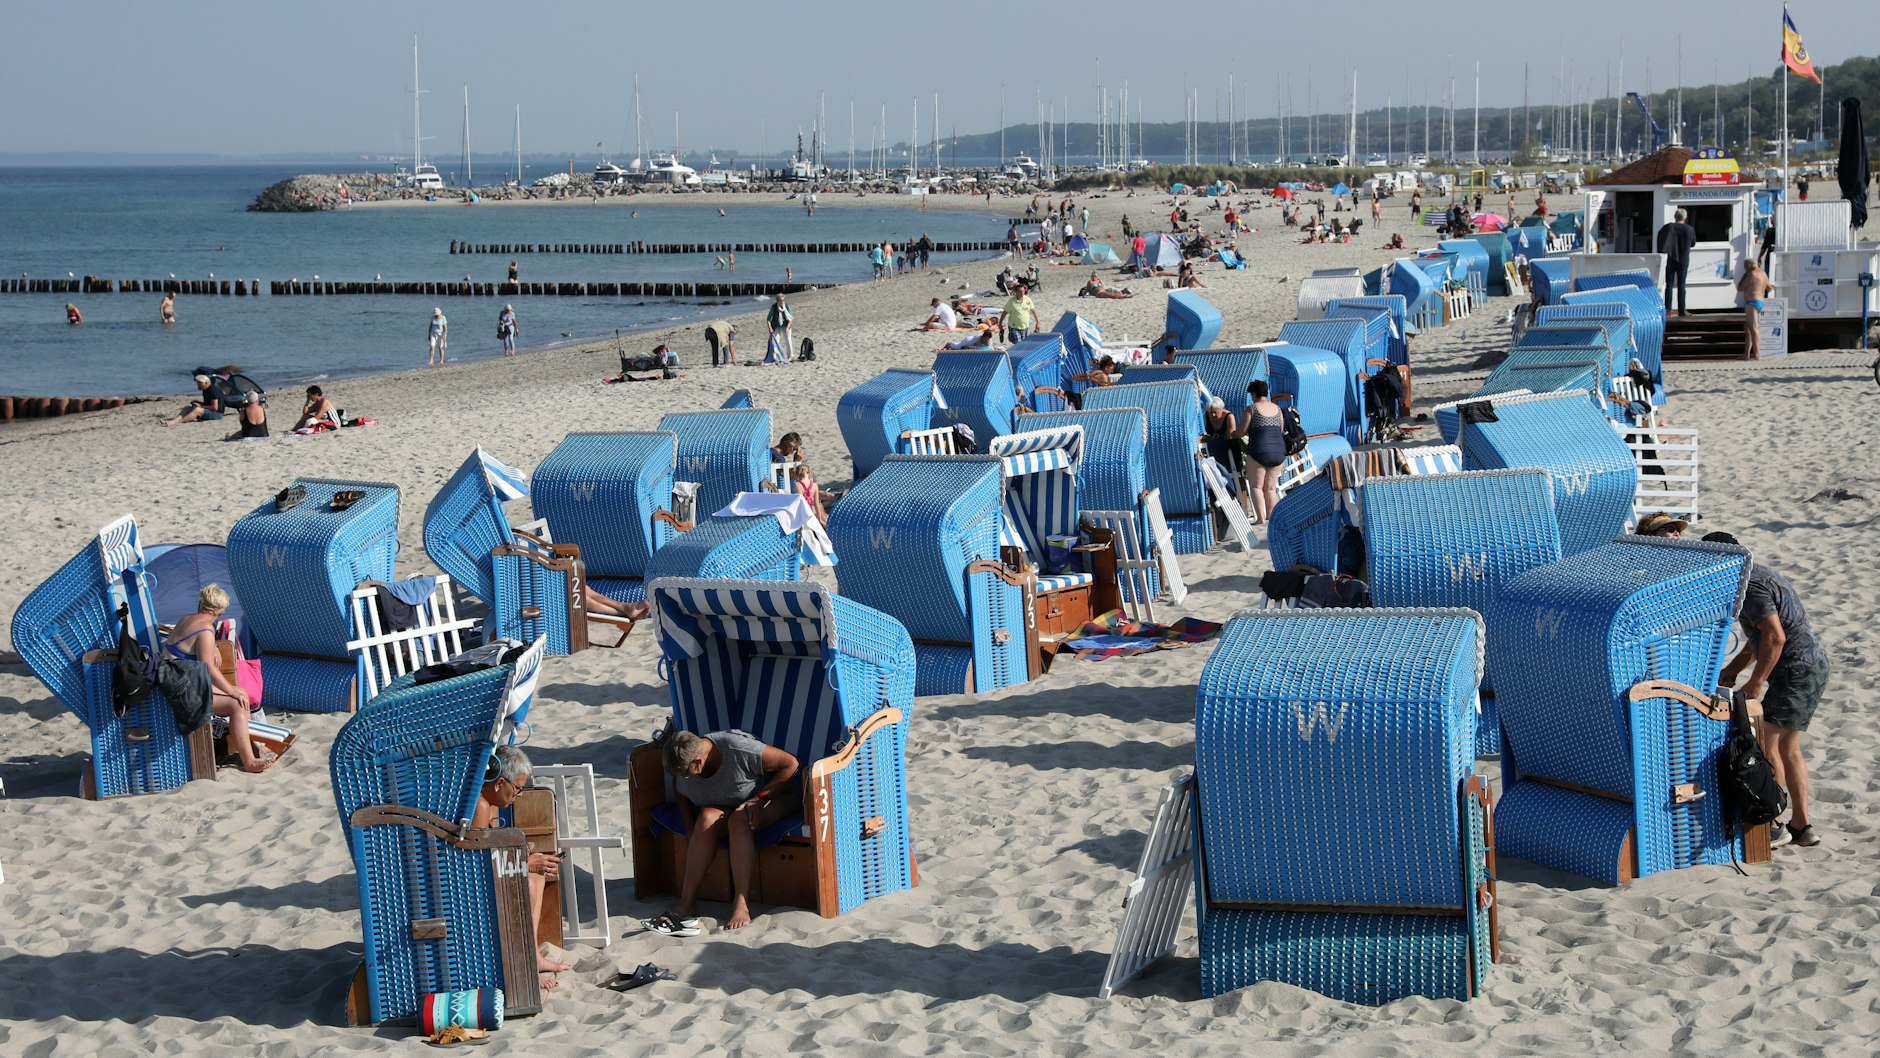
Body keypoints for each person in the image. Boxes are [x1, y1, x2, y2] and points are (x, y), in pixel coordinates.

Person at [1708, 531, 1830, 849]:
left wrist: (1756, 681)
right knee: (1789, 748)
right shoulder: (1759, 574)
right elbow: (1759, 636)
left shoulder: (1752, 587)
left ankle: (1775, 824)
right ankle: (1802, 826)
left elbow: (1775, 638)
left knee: (1768, 745)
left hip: (1795, 670)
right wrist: (1734, 669)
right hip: (1812, 666)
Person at [652, 729, 801, 933]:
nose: (683, 778)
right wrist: (689, 825)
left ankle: (741, 903)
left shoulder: (738, 749)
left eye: (685, 774)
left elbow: (790, 764)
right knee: (705, 819)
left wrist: (761, 799)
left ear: (698, 762)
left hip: (772, 799)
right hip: (728, 805)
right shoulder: (687, 769)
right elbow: (679, 788)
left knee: (739, 821)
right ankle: (687, 902)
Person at [472, 744, 575, 986]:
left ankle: (533, 956)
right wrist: (524, 862)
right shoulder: (481, 806)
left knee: (537, 876)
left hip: (481, 872)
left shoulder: (489, 801)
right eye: (517, 789)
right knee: (528, 881)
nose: (519, 795)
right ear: (499, 783)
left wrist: (526, 858)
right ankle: (522, 965)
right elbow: (473, 862)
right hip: (469, 884)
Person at [165, 585, 273, 773]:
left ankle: (252, 747)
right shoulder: (206, 630)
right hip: (183, 691)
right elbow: (208, 668)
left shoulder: (186, 619)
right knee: (238, 703)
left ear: (201, 603)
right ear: (222, 611)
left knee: (241, 694)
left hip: (174, 682)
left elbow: (193, 644)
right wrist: (230, 690)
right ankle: (249, 760)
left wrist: (214, 645)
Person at [1240, 381, 1287, 523]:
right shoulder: (1277, 409)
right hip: (1278, 451)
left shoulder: (1252, 409)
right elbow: (1280, 429)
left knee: (1256, 486)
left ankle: (1260, 518)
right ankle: (1271, 518)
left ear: (1254, 394)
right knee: (1271, 488)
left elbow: (1241, 431)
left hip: (1259, 451)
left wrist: (1233, 433)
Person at [1656, 208, 1698, 317]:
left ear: (1675, 217)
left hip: (1670, 259)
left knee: (1669, 284)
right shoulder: (1689, 229)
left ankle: (1668, 310)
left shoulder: (1668, 228)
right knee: (1681, 285)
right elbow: (1693, 243)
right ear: (1685, 217)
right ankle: (1681, 310)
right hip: (1683, 260)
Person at [1202, 396, 1243, 501]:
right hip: (1212, 450)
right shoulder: (1206, 416)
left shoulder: (1229, 417)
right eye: (1211, 412)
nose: (1213, 415)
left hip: (1225, 449)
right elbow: (1203, 433)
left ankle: (1234, 496)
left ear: (1221, 409)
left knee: (1233, 474)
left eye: (1215, 412)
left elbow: (1231, 437)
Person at [1738, 259, 1774, 360]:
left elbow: (1740, 288)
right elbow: (1770, 288)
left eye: (1745, 266)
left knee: (1753, 328)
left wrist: (1745, 275)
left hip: (1751, 302)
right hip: (1760, 301)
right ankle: (1746, 354)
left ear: (1749, 265)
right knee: (1748, 328)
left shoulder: (1751, 275)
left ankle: (1757, 354)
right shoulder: (1763, 274)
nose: (1745, 269)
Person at [160, 374, 224, 427]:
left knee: (197, 410)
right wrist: (198, 402)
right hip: (211, 411)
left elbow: (215, 407)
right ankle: (174, 420)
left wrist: (201, 406)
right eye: (197, 383)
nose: (198, 384)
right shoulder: (205, 390)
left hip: (217, 414)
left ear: (206, 383)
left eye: (200, 383)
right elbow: (208, 403)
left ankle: (176, 422)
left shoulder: (213, 390)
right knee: (187, 408)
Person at [765, 294, 793, 364]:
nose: (782, 302)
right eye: (781, 301)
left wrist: (787, 327)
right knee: (775, 341)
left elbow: (790, 319)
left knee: (788, 340)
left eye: (783, 300)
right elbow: (768, 319)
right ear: (777, 301)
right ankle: (776, 356)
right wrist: (770, 328)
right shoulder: (774, 307)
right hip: (776, 326)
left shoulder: (787, 306)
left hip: (786, 325)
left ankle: (790, 356)